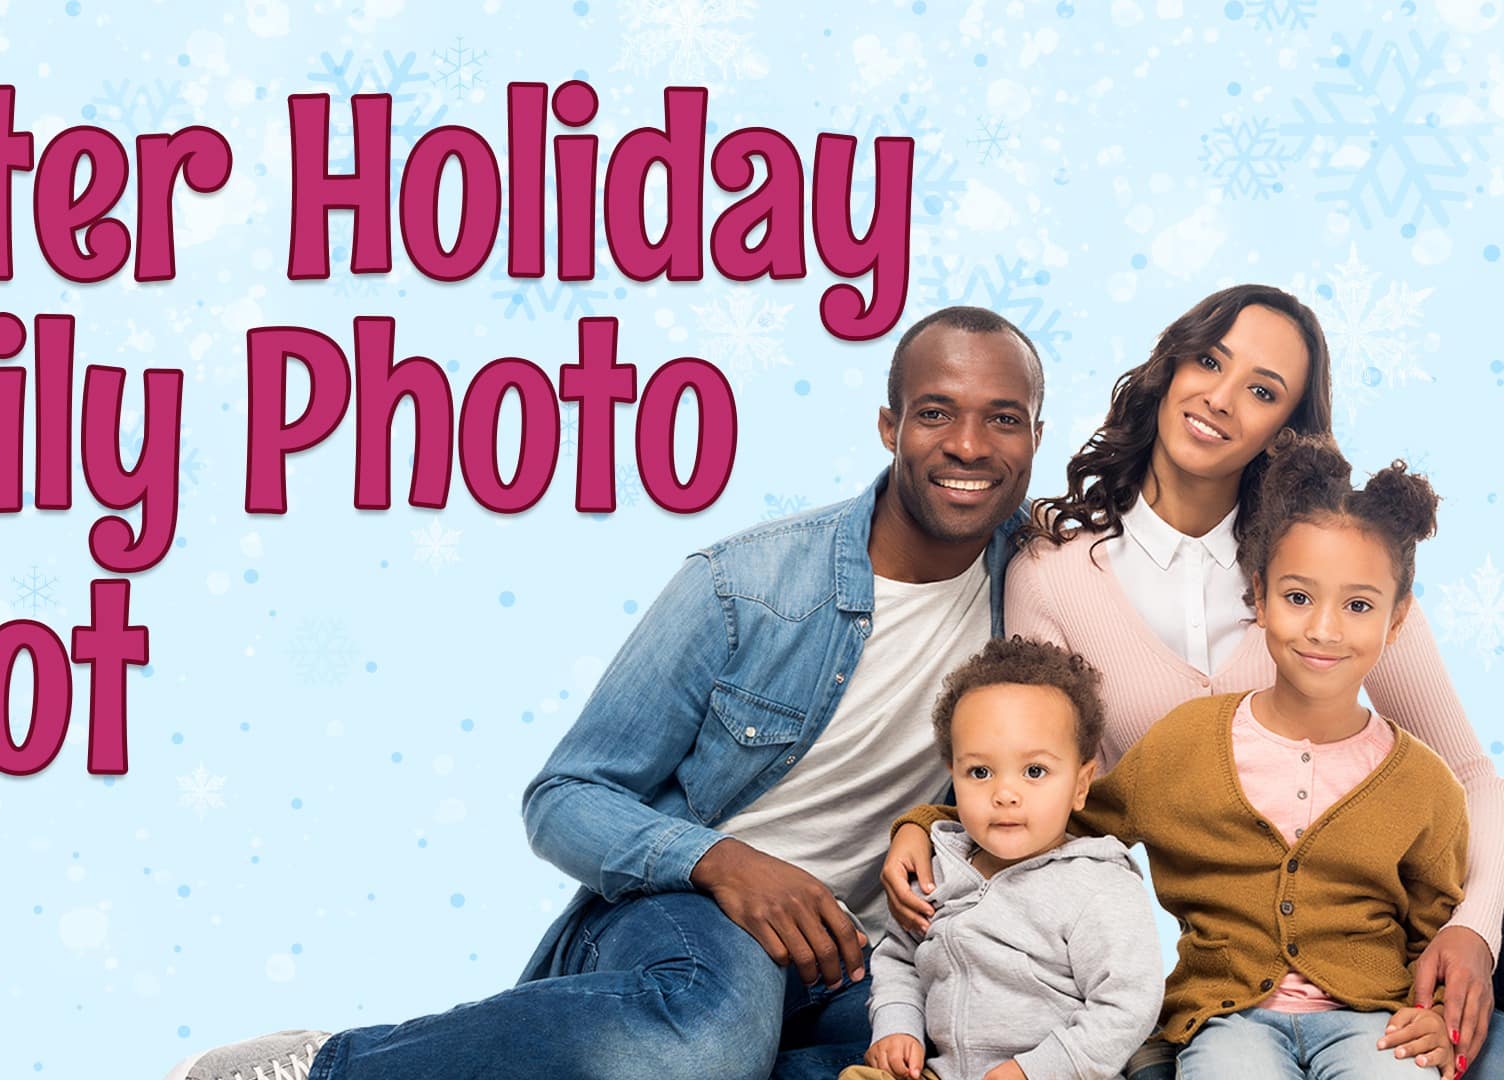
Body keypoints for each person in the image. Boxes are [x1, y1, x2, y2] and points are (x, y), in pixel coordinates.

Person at [166, 305, 1047, 1080]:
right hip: (693, 919)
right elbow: (563, 797)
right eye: (937, 413)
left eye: (1002, 419)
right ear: (889, 424)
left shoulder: (1040, 581)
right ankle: (324, 1068)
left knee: (979, 1055)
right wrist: (725, 863)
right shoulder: (747, 587)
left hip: (860, 960)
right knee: (705, 1044)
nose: (969, 446)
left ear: (1035, 439)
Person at [879, 284, 1504, 1076]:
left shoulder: (1329, 570)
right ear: (1169, 367)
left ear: (1287, 427)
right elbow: (1047, 774)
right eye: (1209, 360)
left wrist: (1474, 931)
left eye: (1263, 389)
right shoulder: (1055, 572)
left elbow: (1471, 773)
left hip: (1368, 975)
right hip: (1205, 985)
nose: (1221, 397)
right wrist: (925, 823)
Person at [850, 636, 1163, 1080]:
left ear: (1080, 784)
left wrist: (1035, 1070)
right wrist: (897, 1026)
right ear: (953, 776)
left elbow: (1129, 1004)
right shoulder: (940, 871)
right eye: (980, 772)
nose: (1005, 794)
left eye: (1035, 771)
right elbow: (899, 958)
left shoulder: (1098, 887)